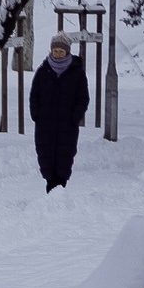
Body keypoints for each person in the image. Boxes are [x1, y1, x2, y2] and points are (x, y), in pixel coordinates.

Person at [30, 35, 91, 190]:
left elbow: (83, 98)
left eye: (61, 51)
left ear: (67, 52)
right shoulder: (43, 71)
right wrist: (36, 114)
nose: (58, 54)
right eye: (55, 50)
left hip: (67, 125)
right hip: (45, 124)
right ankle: (50, 184)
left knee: (65, 155)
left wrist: (75, 116)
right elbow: (34, 95)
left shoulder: (77, 72)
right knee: (45, 154)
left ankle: (60, 186)